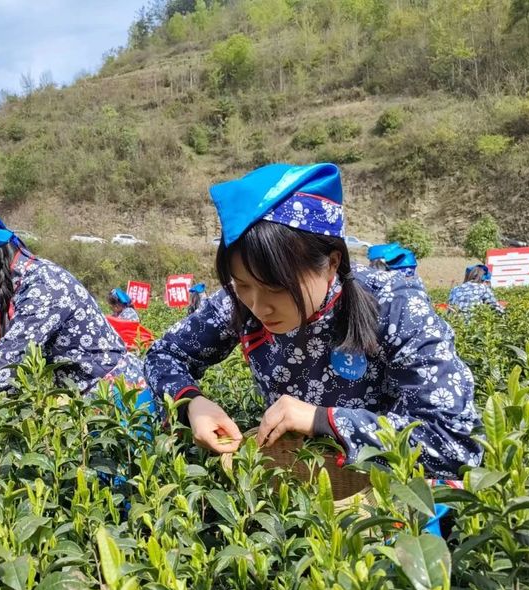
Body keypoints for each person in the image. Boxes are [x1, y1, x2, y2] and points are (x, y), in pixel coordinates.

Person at [144, 163, 482, 478]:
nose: (259, 307)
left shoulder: (394, 304)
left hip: (380, 487)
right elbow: (165, 355)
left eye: (277, 288)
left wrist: (323, 419)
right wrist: (192, 402)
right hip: (295, 480)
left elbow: (455, 441)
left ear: (332, 262)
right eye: (243, 284)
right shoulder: (238, 304)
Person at [0, 210, 153, 418]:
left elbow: (8, 363)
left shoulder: (44, 285)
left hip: (123, 401)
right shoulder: (22, 286)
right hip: (95, 404)